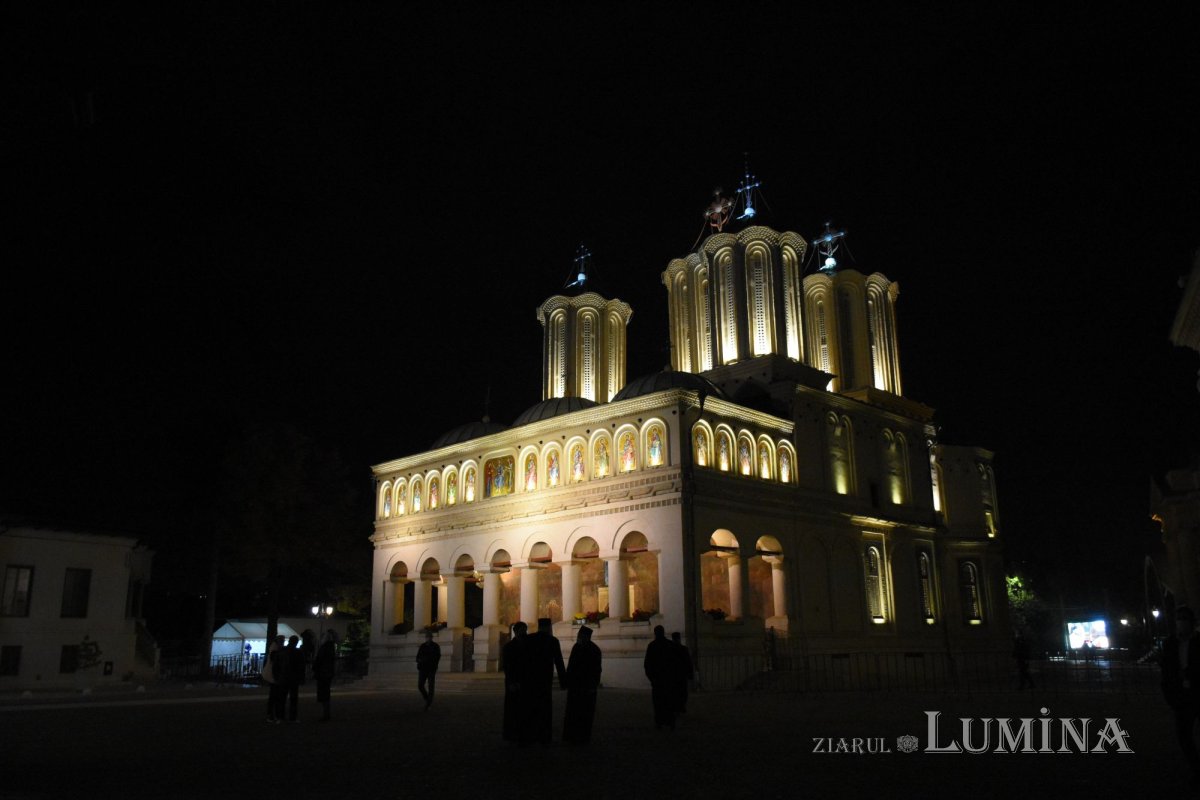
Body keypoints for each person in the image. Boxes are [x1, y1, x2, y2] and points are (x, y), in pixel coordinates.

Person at [1162, 605, 1200, 781]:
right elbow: (1166, 672)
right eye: (1179, 619)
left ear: (1192, 623)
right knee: (1184, 737)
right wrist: (1171, 697)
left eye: (1184, 619)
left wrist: (1190, 673)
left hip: (1198, 694)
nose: (1181, 623)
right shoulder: (1169, 644)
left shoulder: (1198, 643)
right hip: (1181, 698)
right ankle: (1196, 768)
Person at [525, 617, 567, 743]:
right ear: (549, 628)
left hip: (531, 678)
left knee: (532, 706)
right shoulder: (552, 641)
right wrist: (563, 681)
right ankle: (545, 735)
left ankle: (531, 734)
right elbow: (559, 662)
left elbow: (524, 659)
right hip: (545, 678)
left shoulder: (530, 639)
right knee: (545, 708)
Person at [562, 625, 602, 744]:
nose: (578, 638)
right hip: (577, 686)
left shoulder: (592, 649)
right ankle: (575, 736)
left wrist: (593, 685)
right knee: (576, 713)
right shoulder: (585, 648)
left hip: (584, 686)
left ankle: (580, 736)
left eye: (580, 636)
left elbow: (596, 669)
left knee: (583, 713)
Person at [644, 625, 677, 730]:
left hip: (657, 679)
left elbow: (647, 664)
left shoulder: (652, 646)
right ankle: (670, 722)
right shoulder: (670, 645)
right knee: (669, 701)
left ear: (655, 633)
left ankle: (659, 722)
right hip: (668, 679)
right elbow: (675, 663)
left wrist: (651, 678)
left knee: (658, 703)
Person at [502, 621, 529, 743]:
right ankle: (511, 733)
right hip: (513, 683)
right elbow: (507, 666)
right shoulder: (508, 647)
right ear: (516, 632)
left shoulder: (529, 646)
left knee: (525, 709)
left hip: (525, 682)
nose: (524, 633)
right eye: (522, 630)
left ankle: (525, 733)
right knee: (512, 710)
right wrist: (512, 682)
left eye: (525, 630)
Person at [313, 629, 338, 722]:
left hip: (323, 673)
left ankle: (326, 714)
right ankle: (326, 713)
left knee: (324, 693)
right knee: (326, 693)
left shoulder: (324, 648)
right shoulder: (331, 648)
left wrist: (315, 668)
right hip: (328, 673)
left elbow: (319, 660)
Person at [416, 629, 441, 709]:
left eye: (429, 637)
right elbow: (417, 657)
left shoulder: (435, 646)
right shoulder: (422, 646)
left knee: (431, 686)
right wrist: (420, 661)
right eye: (427, 637)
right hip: (423, 669)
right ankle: (427, 698)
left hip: (431, 669)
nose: (428, 638)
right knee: (420, 685)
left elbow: (437, 657)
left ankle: (429, 702)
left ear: (431, 638)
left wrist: (434, 665)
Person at [263, 635, 285, 724]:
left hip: (274, 676)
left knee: (273, 696)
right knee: (274, 696)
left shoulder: (274, 649)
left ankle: (272, 714)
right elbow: (275, 663)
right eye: (282, 641)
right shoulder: (276, 651)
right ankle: (273, 715)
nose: (283, 642)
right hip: (275, 676)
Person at [671, 631, 693, 713]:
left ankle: (677, 706)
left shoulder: (670, 649)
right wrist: (690, 674)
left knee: (676, 692)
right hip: (681, 674)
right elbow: (688, 662)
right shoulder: (683, 649)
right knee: (682, 692)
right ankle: (681, 706)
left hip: (674, 674)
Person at [285, 634, 305, 722]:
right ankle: (292, 717)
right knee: (293, 698)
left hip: (285, 676)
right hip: (294, 677)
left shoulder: (284, 650)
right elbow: (301, 666)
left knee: (282, 697)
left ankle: (280, 715)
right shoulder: (298, 652)